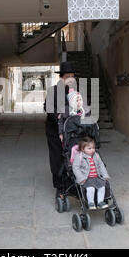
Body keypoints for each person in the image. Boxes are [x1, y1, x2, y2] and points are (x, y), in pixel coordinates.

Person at [44, 62, 76, 198]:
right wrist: (59, 117)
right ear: (62, 78)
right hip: (54, 131)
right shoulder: (53, 91)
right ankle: (60, 187)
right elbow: (48, 107)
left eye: (72, 76)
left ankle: (72, 184)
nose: (71, 78)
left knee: (72, 157)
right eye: (68, 76)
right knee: (57, 157)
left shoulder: (75, 91)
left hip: (71, 130)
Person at [72, 137, 110, 210]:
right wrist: (81, 178)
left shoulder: (96, 155)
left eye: (93, 148)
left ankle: (100, 202)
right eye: (89, 148)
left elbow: (101, 165)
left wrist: (105, 175)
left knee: (102, 187)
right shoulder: (79, 157)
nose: (92, 150)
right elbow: (76, 168)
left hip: (96, 177)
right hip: (86, 178)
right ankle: (91, 203)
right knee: (91, 189)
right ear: (83, 149)